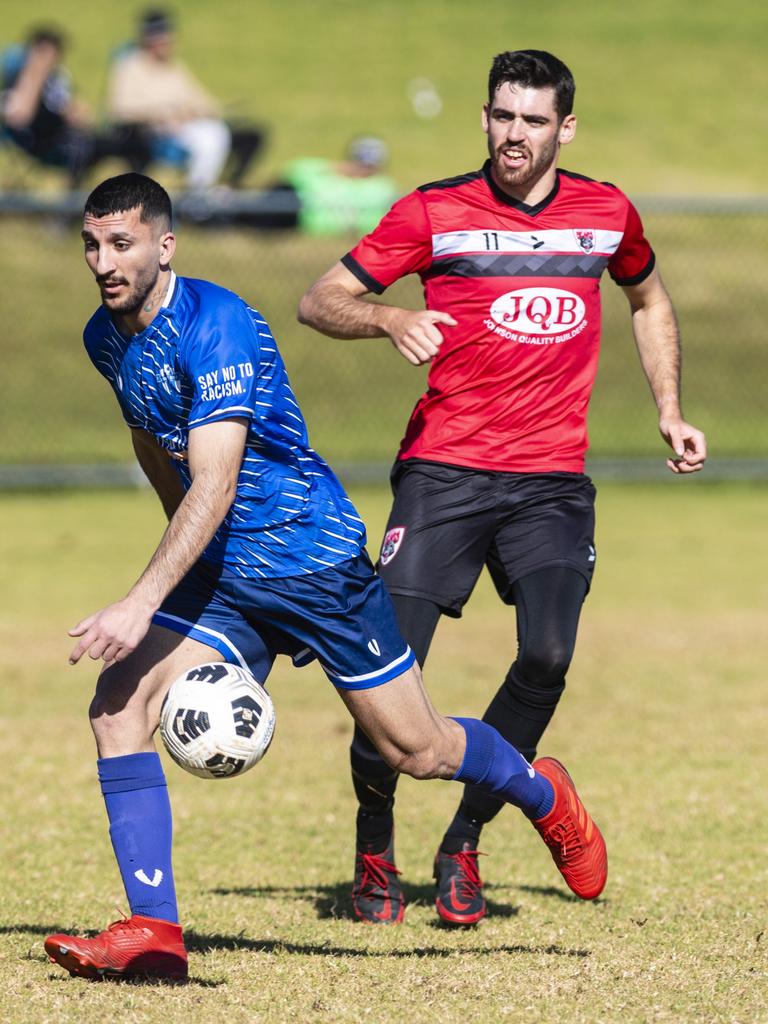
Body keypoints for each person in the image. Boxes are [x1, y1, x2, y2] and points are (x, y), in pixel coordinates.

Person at [43, 172, 605, 980]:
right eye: (92, 244)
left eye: (122, 243)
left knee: (416, 748)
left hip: (312, 562)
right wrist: (178, 556)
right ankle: (154, 933)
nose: (104, 260)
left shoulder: (218, 325)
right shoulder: (107, 336)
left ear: (166, 246)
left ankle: (542, 794)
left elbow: (217, 482)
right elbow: (152, 437)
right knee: (118, 705)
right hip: (227, 572)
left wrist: (141, 599)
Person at [298, 49, 707, 927]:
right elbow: (319, 299)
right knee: (387, 680)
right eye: (501, 116)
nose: (513, 134)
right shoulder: (432, 211)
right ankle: (376, 844)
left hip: (551, 482)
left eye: (531, 120)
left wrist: (669, 407)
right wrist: (389, 316)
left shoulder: (607, 214)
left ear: (565, 127)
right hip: (443, 473)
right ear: (484, 118)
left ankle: (464, 842)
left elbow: (651, 301)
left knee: (549, 656)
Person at [107, 10, 265, 191]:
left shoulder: (175, 68)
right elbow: (120, 109)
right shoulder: (130, 66)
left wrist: (202, 111)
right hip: (152, 132)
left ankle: (221, 189)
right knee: (210, 137)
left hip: (186, 128)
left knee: (243, 135)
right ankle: (197, 194)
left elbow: (202, 101)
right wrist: (162, 113)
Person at [1, 27, 150, 188]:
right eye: (44, 53)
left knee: (136, 144)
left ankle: (139, 196)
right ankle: (70, 203)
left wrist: (72, 110)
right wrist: (35, 74)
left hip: (69, 137)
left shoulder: (57, 80)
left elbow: (83, 116)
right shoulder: (16, 81)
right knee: (80, 146)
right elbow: (20, 117)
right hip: (41, 143)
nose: (49, 60)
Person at [278, 136, 399, 236]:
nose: (363, 170)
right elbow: (293, 169)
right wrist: (334, 167)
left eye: (369, 166)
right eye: (360, 164)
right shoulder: (326, 179)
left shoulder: (383, 186)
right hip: (313, 231)